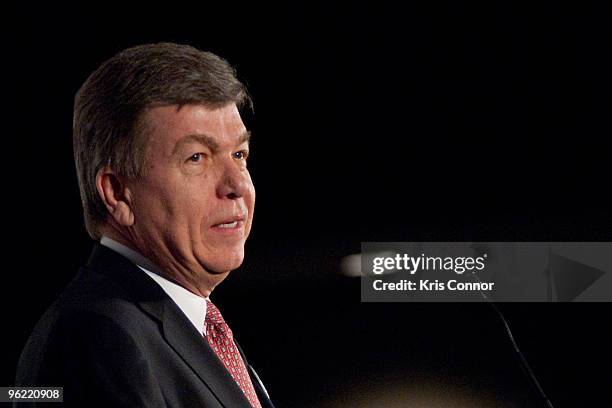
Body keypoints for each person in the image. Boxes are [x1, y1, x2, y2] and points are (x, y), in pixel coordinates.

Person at [15, 42, 273, 408]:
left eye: (239, 154)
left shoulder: (185, 325)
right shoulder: (97, 338)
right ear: (119, 193)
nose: (237, 187)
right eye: (197, 157)